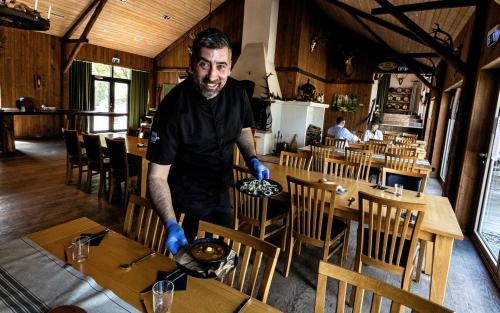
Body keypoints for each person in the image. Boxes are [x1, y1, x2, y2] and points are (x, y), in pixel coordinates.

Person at [146, 28, 269, 255]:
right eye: (204, 64)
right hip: (183, 206)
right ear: (192, 63)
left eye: (221, 66)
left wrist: (252, 158)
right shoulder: (172, 108)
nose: (212, 76)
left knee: (217, 267)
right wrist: (171, 223)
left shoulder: (238, 92)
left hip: (221, 198)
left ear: (230, 65)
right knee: (183, 271)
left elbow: (242, 128)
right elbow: (156, 176)